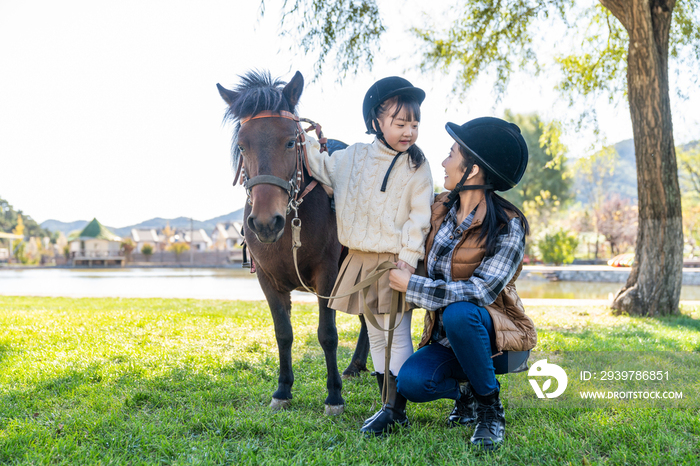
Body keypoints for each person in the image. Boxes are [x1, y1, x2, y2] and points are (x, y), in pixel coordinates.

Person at [388, 117, 537, 451]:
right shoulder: (439, 209)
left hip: (502, 344)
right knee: (412, 383)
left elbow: (482, 290)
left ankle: (489, 409)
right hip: (446, 342)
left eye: (452, 154)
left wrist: (412, 286)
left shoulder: (508, 225)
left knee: (459, 312)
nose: (443, 162)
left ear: (472, 170)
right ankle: (467, 392)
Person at [304, 76, 434, 435]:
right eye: (400, 123)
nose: (409, 131)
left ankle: (397, 408)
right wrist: (304, 139)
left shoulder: (417, 166)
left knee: (397, 334)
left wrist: (408, 260)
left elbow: (419, 218)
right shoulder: (353, 158)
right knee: (376, 335)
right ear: (377, 122)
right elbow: (319, 165)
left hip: (395, 261)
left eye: (414, 123)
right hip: (360, 259)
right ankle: (386, 404)